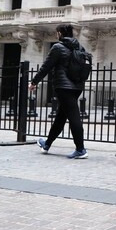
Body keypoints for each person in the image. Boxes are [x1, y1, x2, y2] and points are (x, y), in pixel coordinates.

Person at [29, 24, 88, 159]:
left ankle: (81, 149)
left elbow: (46, 67)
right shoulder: (80, 47)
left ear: (60, 33)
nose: (56, 35)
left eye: (57, 33)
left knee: (74, 117)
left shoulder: (58, 47)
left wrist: (34, 82)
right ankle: (47, 144)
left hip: (63, 87)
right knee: (61, 118)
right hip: (77, 87)